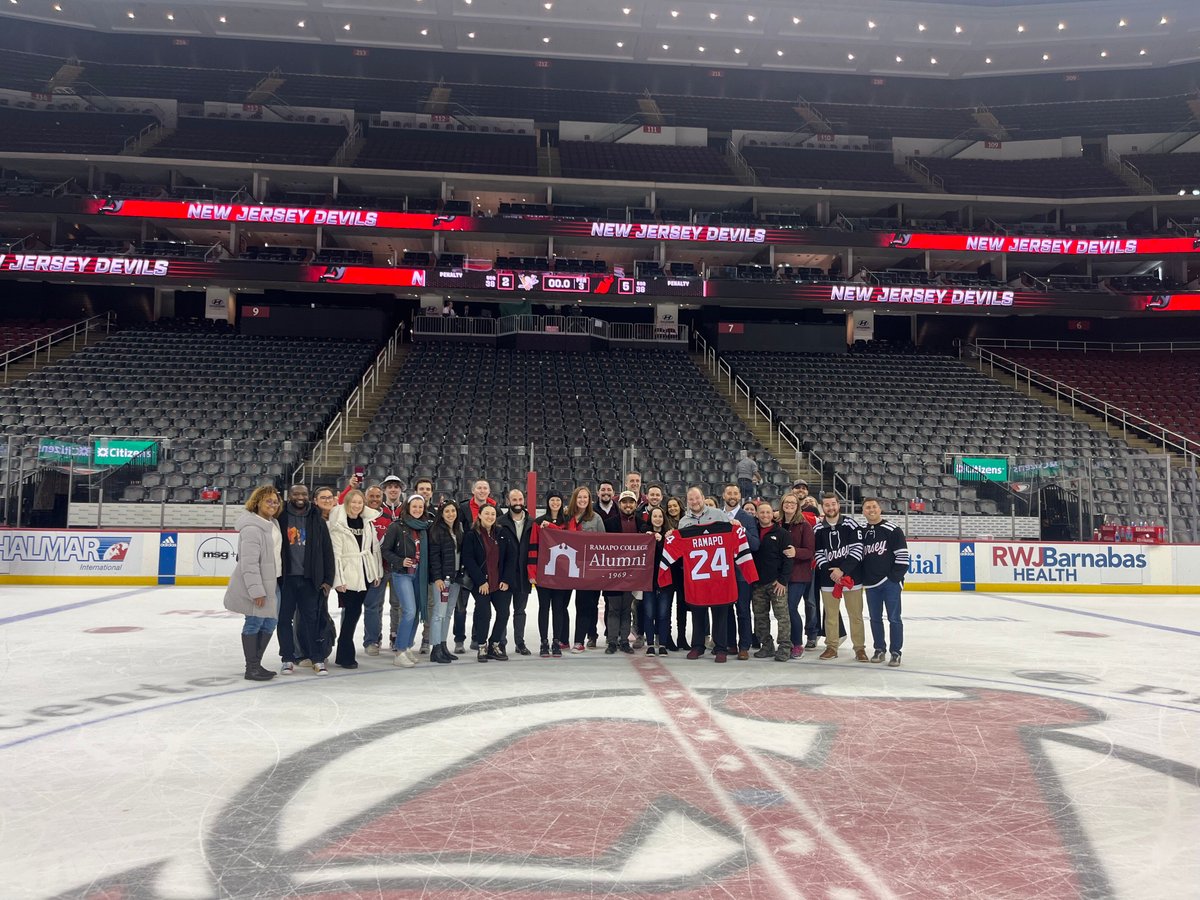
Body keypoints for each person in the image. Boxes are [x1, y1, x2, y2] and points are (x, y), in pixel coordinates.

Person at [663, 486, 757, 664]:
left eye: (697, 498)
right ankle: (697, 646)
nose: (694, 502)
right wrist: (671, 538)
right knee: (698, 611)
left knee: (720, 611)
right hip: (697, 577)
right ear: (687, 501)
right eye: (691, 499)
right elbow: (680, 548)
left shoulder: (719, 515)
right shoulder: (684, 522)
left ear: (703, 497)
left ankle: (720, 648)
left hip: (719, 575)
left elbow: (732, 536)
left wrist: (736, 527)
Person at [223, 485, 282, 681]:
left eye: (275, 501)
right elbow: (248, 563)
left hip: (274, 582)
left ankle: (257, 663)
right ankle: (252, 667)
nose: (273, 504)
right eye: (268, 501)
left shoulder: (273, 523)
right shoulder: (251, 528)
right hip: (259, 585)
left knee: (270, 622)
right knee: (254, 622)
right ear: (257, 503)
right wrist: (257, 591)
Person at [276, 484, 335, 676]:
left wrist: (328, 578)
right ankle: (287, 658)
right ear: (289, 496)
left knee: (311, 620)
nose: (299, 496)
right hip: (286, 580)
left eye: (303, 493)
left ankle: (316, 658)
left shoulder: (315, 517)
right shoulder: (281, 516)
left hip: (310, 579)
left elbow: (327, 550)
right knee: (284, 619)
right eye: (295, 493)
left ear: (308, 496)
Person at [328, 488, 384, 669]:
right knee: (351, 614)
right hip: (348, 574)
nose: (357, 506)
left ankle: (344, 652)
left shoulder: (367, 522)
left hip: (365, 573)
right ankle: (345, 653)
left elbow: (374, 549)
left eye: (360, 503)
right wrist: (339, 580)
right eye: (354, 502)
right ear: (347, 503)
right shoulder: (339, 525)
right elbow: (335, 554)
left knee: (355, 612)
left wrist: (376, 573)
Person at [380, 494, 432, 668]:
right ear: (408, 508)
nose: (417, 509)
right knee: (409, 611)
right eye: (414, 506)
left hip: (420, 574)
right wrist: (399, 561)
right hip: (402, 574)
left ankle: (408, 646)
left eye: (420, 507)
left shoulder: (425, 527)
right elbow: (385, 550)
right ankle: (400, 650)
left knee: (416, 611)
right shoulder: (397, 526)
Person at [813, 492, 866, 662]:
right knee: (831, 615)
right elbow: (818, 554)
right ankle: (831, 646)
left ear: (838, 505)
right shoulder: (818, 529)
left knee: (855, 615)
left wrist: (842, 570)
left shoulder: (851, 525)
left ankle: (859, 648)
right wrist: (832, 571)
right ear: (822, 507)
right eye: (827, 505)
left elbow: (857, 551)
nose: (830, 508)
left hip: (852, 578)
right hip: (829, 579)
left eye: (833, 504)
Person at [462, 504, 518, 662]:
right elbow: (469, 559)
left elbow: (511, 558)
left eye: (493, 514)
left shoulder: (502, 533)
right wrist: (481, 581)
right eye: (486, 513)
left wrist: (506, 579)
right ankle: (481, 646)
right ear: (479, 515)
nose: (490, 517)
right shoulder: (471, 535)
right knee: (484, 614)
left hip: (500, 583)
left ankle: (494, 644)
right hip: (482, 584)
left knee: (504, 613)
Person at [859, 498, 909, 667]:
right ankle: (879, 649)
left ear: (880, 509)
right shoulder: (862, 532)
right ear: (863, 511)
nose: (871, 510)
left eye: (874, 507)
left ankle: (896, 652)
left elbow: (902, 558)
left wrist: (893, 579)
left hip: (890, 584)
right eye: (867, 507)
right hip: (871, 585)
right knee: (875, 618)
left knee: (894, 618)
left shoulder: (893, 530)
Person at [454, 479, 497, 654]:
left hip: (484, 569)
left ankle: (476, 637)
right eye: (479, 487)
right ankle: (459, 639)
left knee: (481, 607)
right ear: (473, 490)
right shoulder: (462, 508)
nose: (482, 490)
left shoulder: (495, 509)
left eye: (485, 488)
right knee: (461, 607)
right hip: (465, 565)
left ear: (489, 491)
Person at [720, 482, 761, 660]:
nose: (732, 496)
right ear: (723, 495)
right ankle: (730, 643)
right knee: (726, 610)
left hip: (741, 572)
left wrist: (740, 529)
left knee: (743, 609)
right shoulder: (716, 516)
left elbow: (755, 544)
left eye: (735, 493)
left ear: (740, 497)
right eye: (729, 493)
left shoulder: (747, 518)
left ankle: (744, 645)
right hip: (722, 572)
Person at [750, 500, 794, 662]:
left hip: (777, 583)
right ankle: (766, 646)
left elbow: (788, 559)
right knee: (760, 616)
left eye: (768, 512)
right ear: (757, 514)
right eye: (762, 512)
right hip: (757, 584)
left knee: (782, 616)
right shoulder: (752, 532)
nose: (765, 515)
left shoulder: (782, 533)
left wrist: (783, 580)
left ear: (772, 514)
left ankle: (784, 647)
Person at [529, 491, 570, 657]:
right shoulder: (538, 523)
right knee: (544, 607)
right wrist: (532, 573)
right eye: (552, 500)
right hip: (544, 573)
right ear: (547, 502)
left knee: (559, 608)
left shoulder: (567, 522)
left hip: (562, 575)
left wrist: (552, 527)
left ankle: (556, 641)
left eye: (558, 500)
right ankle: (544, 641)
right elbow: (533, 548)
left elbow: (568, 538)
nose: (555, 503)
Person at [566, 485, 605, 652]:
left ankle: (579, 640)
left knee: (584, 605)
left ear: (590, 500)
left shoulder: (595, 518)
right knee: (563, 605)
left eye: (586, 497)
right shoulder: (566, 516)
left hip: (588, 571)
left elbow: (604, 544)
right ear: (575, 498)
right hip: (566, 568)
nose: (582, 500)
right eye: (580, 497)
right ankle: (562, 640)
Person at [602, 490, 640, 654]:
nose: (628, 505)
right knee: (613, 609)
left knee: (626, 609)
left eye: (631, 502)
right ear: (620, 504)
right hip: (613, 573)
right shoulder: (609, 522)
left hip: (632, 574)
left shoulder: (641, 524)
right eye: (625, 502)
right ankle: (612, 642)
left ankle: (624, 641)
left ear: (636, 504)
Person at [497, 487, 535, 655]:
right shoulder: (499, 522)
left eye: (520, 500)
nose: (518, 503)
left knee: (520, 611)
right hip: (505, 575)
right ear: (508, 501)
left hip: (523, 576)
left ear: (524, 501)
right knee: (503, 612)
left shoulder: (532, 523)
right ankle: (501, 643)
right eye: (514, 500)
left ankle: (520, 643)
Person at [427, 500, 465, 664]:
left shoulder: (458, 530)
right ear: (441, 514)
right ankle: (435, 648)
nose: (451, 514)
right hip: (442, 580)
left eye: (453, 511)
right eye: (447, 511)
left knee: (448, 613)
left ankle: (443, 646)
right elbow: (434, 557)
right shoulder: (437, 531)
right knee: (439, 614)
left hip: (455, 578)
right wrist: (437, 578)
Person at [779, 493, 816, 659]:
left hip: (798, 575)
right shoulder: (777, 523)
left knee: (790, 607)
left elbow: (810, 551)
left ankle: (797, 643)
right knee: (782, 610)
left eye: (793, 502)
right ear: (782, 504)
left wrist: (796, 552)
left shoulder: (804, 525)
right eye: (787, 502)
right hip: (780, 575)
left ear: (797, 505)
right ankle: (785, 642)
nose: (789, 505)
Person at [377, 474, 406, 653]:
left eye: (396, 486)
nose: (393, 489)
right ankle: (375, 637)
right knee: (377, 604)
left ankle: (394, 634)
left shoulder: (406, 509)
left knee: (397, 603)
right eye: (390, 486)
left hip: (398, 565)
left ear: (401, 489)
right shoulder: (376, 509)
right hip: (379, 565)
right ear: (385, 490)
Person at [642, 505, 673, 655]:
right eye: (655, 516)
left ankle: (662, 644)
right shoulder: (644, 533)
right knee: (649, 613)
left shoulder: (670, 536)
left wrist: (662, 541)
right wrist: (648, 538)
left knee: (663, 614)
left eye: (660, 516)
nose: (658, 519)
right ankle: (649, 644)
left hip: (665, 581)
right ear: (650, 518)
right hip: (648, 581)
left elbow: (670, 557)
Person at [412, 476, 437, 654]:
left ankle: (426, 639)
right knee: (406, 605)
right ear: (416, 492)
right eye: (422, 489)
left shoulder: (436, 514)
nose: (425, 492)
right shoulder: (408, 513)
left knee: (429, 604)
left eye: (428, 489)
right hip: (409, 568)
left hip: (429, 568)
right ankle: (400, 637)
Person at [664, 495, 688, 650]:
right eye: (670, 506)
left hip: (684, 570)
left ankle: (682, 637)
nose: (673, 508)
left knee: (682, 606)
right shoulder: (664, 523)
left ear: (680, 506)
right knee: (667, 606)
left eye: (675, 506)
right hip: (669, 569)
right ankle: (667, 637)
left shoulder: (687, 523)